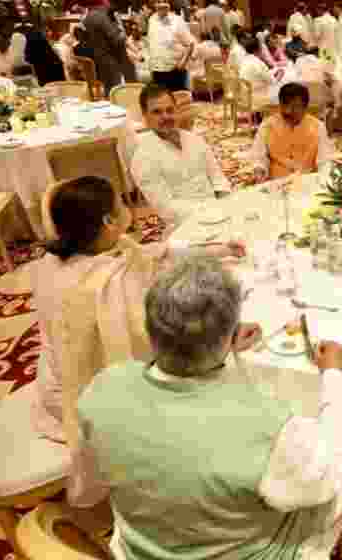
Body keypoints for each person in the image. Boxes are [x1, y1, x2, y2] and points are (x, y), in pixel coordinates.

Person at [75, 256, 342, 560]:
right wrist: (334, 376)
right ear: (230, 330)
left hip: (141, 548)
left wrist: (219, 347)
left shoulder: (103, 387)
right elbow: (325, 476)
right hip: (248, 552)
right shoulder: (266, 426)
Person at [32, 175, 244, 505]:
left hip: (51, 376)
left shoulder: (63, 259)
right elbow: (155, 344)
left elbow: (154, 257)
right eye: (120, 201)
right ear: (108, 220)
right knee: (217, 385)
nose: (127, 204)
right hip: (83, 397)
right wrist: (225, 342)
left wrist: (217, 250)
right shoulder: (107, 286)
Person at [131, 84, 232, 231]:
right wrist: (209, 212)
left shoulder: (194, 139)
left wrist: (225, 202)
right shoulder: (142, 158)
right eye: (157, 112)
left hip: (218, 212)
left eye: (169, 110)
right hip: (185, 227)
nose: (165, 116)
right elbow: (166, 208)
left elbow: (217, 176)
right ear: (145, 116)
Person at [250, 82, 334, 181]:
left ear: (305, 107)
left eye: (295, 107)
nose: (288, 111)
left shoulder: (318, 127)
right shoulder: (267, 126)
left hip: (307, 181)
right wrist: (260, 169)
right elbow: (259, 156)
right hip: (276, 182)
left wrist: (323, 179)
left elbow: (324, 160)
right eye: (284, 105)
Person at [82, 0, 137, 93]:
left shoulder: (87, 17)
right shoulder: (102, 17)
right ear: (104, 4)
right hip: (111, 61)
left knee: (109, 88)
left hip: (98, 59)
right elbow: (117, 40)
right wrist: (123, 32)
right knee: (120, 86)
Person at [147, 0, 196, 91]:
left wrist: (183, 62)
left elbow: (190, 44)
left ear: (169, 4)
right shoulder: (151, 20)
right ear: (155, 4)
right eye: (159, 2)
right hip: (157, 71)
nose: (162, 4)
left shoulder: (177, 20)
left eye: (165, 1)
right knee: (161, 101)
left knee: (178, 101)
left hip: (174, 71)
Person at [238, 35, 279, 110]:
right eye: (260, 47)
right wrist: (280, 74)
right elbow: (273, 82)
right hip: (257, 99)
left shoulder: (243, 61)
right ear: (257, 49)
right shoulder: (258, 63)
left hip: (245, 97)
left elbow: (260, 75)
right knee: (281, 88)